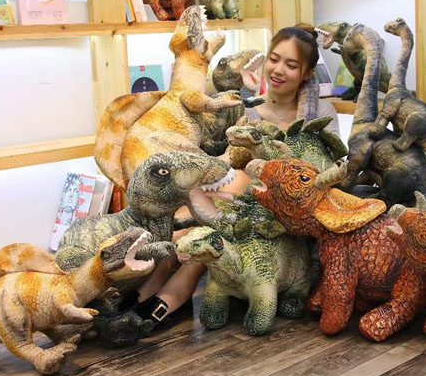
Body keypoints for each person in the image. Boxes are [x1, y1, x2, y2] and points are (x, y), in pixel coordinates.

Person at [131, 25, 341, 326]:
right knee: (200, 199)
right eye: (274, 59)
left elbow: (322, 174)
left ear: (308, 73)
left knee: (226, 194)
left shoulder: (321, 113)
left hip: (286, 212)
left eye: (291, 65)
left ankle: (161, 298)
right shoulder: (247, 111)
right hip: (234, 207)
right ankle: (151, 288)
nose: (278, 70)